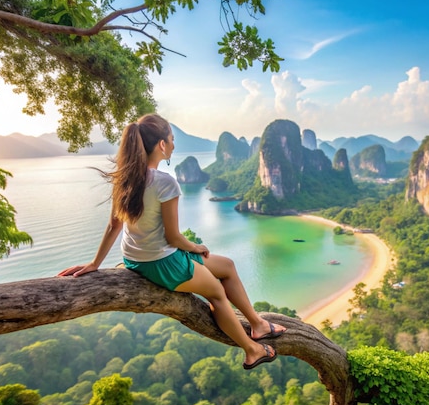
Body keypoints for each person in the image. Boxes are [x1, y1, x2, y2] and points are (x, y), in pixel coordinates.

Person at [58, 113, 285, 370]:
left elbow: (114, 225)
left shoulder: (124, 178)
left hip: (136, 259)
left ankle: (257, 324)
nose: (174, 145)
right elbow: (173, 237)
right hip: (162, 262)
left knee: (228, 266)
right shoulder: (165, 182)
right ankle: (252, 349)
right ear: (162, 145)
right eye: (172, 140)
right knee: (218, 294)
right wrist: (195, 247)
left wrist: (95, 262)